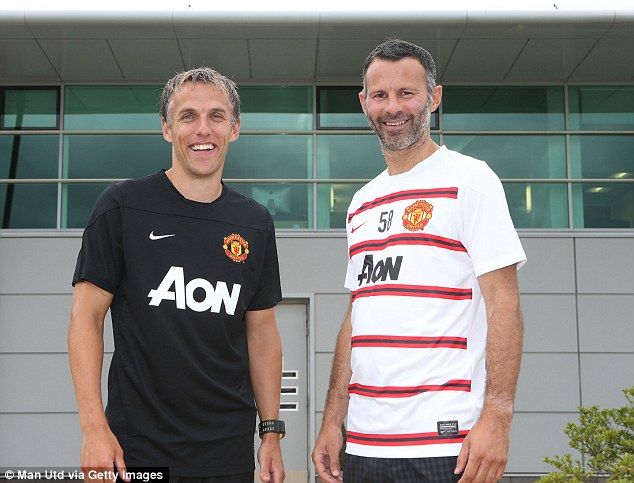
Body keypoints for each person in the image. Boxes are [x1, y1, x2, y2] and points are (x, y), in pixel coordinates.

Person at [312, 39, 527, 483]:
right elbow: (357, 316)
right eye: (380, 95)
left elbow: (504, 304)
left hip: (446, 442)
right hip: (365, 444)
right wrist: (333, 419)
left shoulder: (470, 180)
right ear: (364, 103)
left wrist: (497, 418)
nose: (393, 107)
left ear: (434, 97)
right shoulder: (361, 202)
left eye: (406, 93)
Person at [68, 68, 286, 483]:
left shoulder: (254, 222)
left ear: (235, 128)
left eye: (216, 116)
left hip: (228, 452)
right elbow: (86, 318)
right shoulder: (122, 205)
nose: (203, 129)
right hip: (137, 448)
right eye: (188, 116)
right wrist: (94, 429)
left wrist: (271, 432)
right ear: (167, 128)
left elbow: (262, 333)